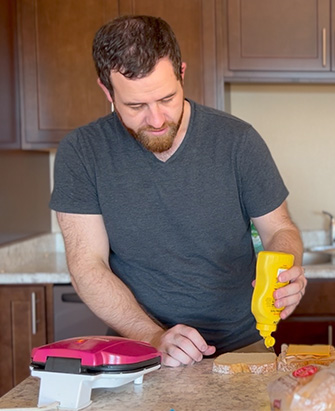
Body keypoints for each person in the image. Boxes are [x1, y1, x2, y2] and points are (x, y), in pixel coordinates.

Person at [49, 15, 306, 367]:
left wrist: (287, 268)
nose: (156, 120)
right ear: (107, 91)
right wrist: (153, 336)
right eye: (136, 106)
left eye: (167, 98)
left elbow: (280, 230)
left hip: (243, 347)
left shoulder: (237, 141)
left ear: (182, 73)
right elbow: (87, 266)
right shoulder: (82, 152)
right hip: (138, 351)